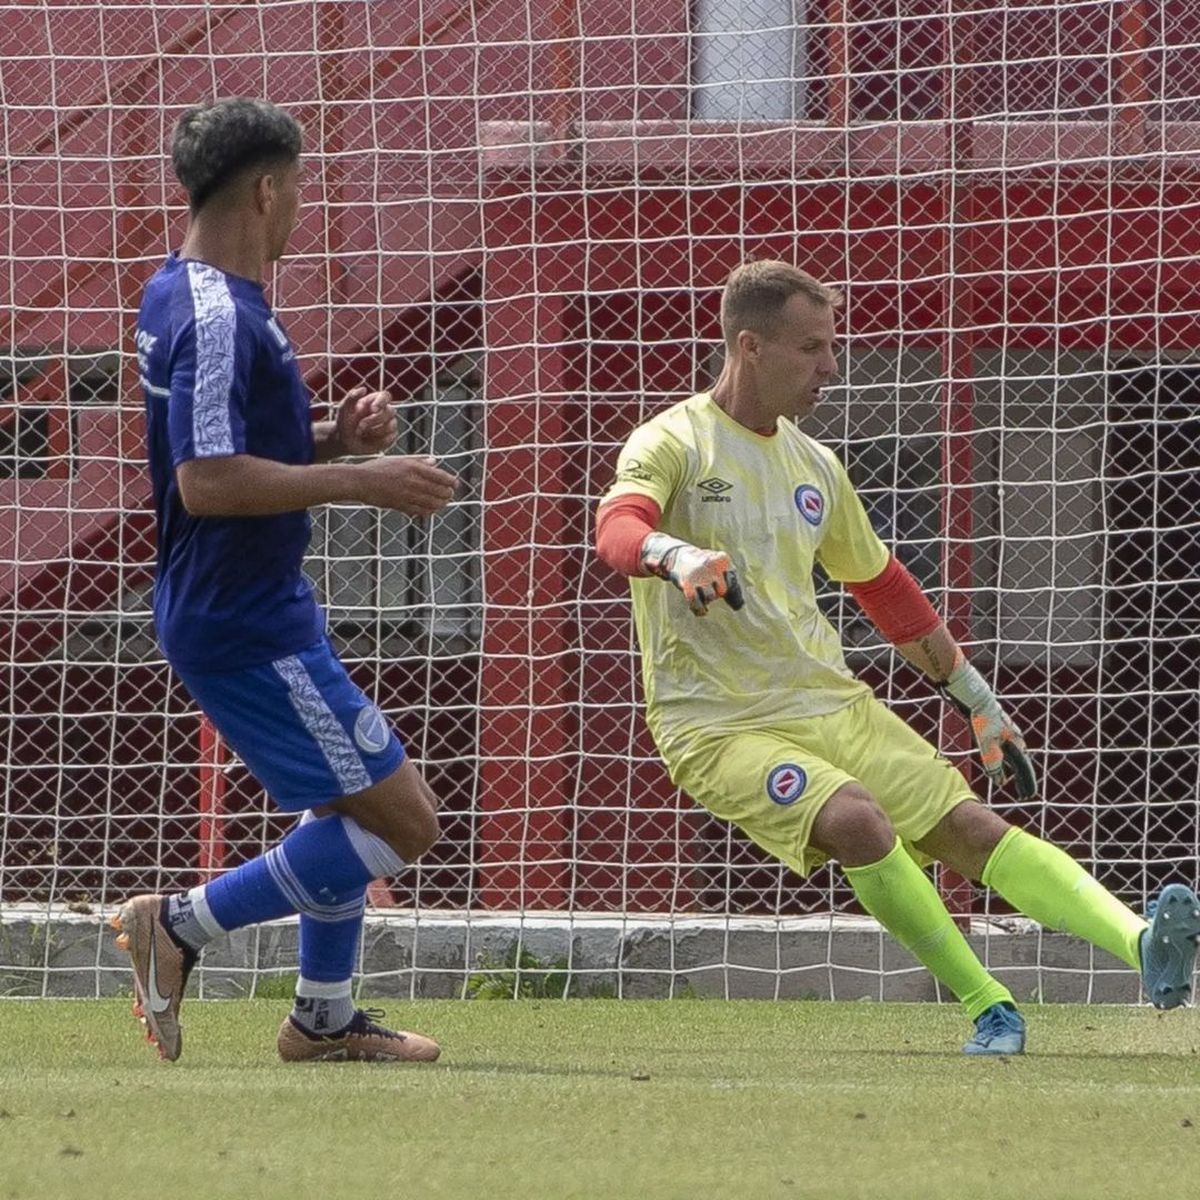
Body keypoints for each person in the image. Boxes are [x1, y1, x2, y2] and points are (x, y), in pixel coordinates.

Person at [595, 258, 1200, 1054]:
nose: (831, 367)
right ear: (749, 347)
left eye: (831, 346)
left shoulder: (816, 465)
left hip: (828, 703)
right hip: (716, 724)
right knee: (854, 818)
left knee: (972, 830)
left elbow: (883, 587)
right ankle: (989, 1005)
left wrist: (976, 696)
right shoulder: (672, 440)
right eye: (811, 348)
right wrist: (675, 557)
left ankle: (1140, 944)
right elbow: (618, 530)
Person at [116, 97, 458, 1063]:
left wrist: (332, 439)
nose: (303, 204)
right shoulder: (218, 314)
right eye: (299, 187)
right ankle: (177, 926)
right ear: (268, 191)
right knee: (405, 823)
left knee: (343, 806)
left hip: (254, 606)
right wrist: (365, 480)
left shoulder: (184, 293)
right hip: (242, 619)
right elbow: (206, 481)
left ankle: (323, 1020)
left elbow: (226, 446)